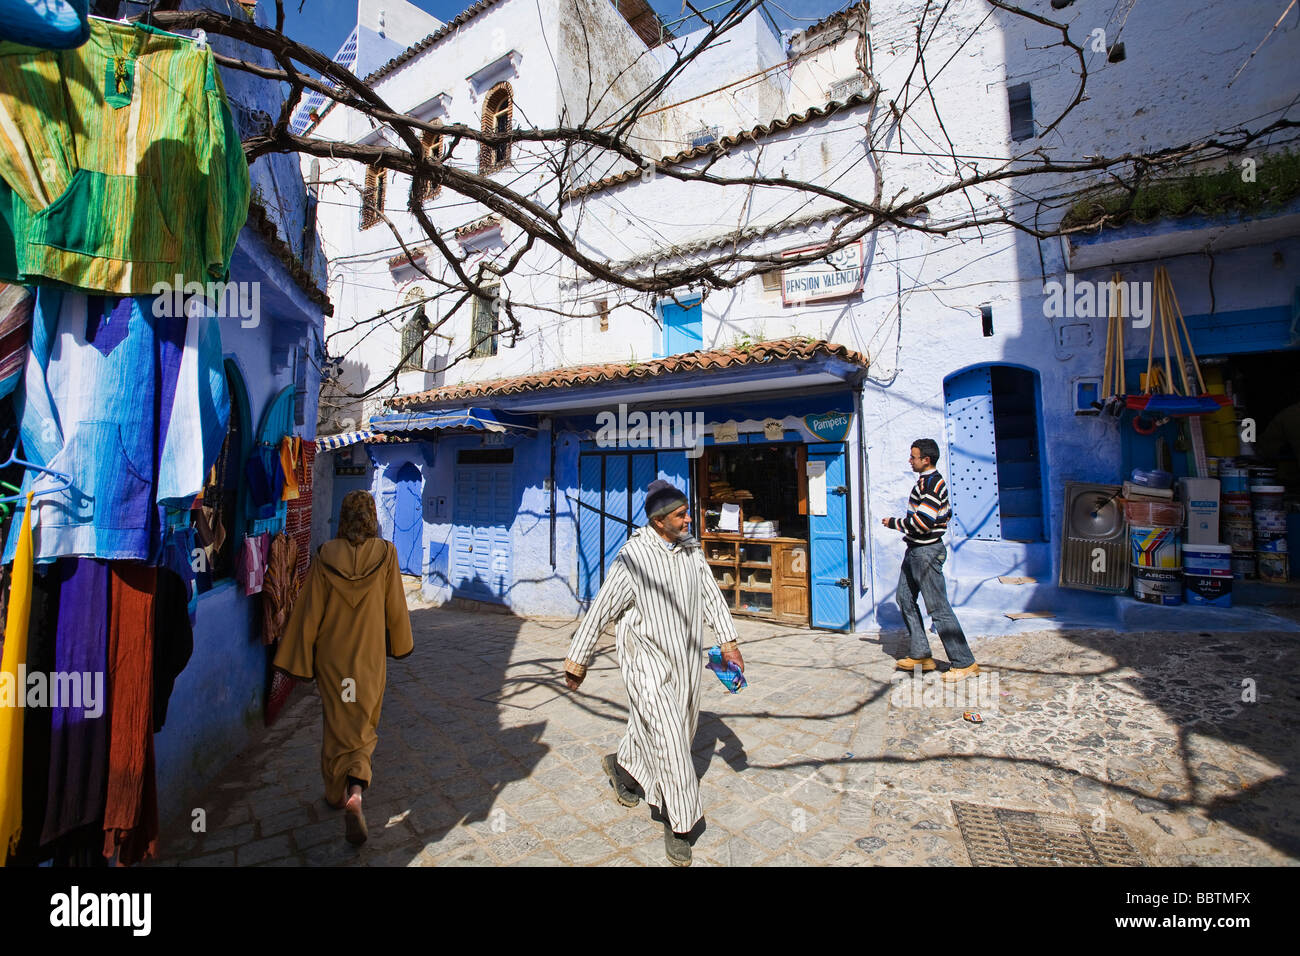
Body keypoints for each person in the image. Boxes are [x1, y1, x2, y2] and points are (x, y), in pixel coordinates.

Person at [562, 479, 743, 867]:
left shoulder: (691, 551)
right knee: (673, 740)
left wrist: (728, 643)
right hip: (645, 662)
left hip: (687, 661)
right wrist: (578, 660)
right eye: (681, 514)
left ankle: (623, 767)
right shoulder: (633, 559)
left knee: (674, 728)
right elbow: (601, 610)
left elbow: (711, 595)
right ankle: (679, 823)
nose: (689, 518)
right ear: (660, 521)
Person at [273, 490, 413, 846]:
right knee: (364, 724)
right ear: (371, 517)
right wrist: (400, 645)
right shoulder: (386, 554)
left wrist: (297, 658)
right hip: (368, 657)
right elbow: (394, 607)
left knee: (336, 723)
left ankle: (336, 793)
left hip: (332, 658)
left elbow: (309, 614)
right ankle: (356, 790)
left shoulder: (324, 555)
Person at [882, 438, 979, 682]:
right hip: (915, 550)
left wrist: (893, 523)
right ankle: (921, 654)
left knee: (938, 608)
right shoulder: (926, 483)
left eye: (913, 457)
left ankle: (964, 661)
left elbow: (923, 524)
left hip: (925, 552)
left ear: (926, 460)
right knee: (904, 598)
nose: (910, 460)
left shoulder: (932, 485)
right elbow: (943, 514)